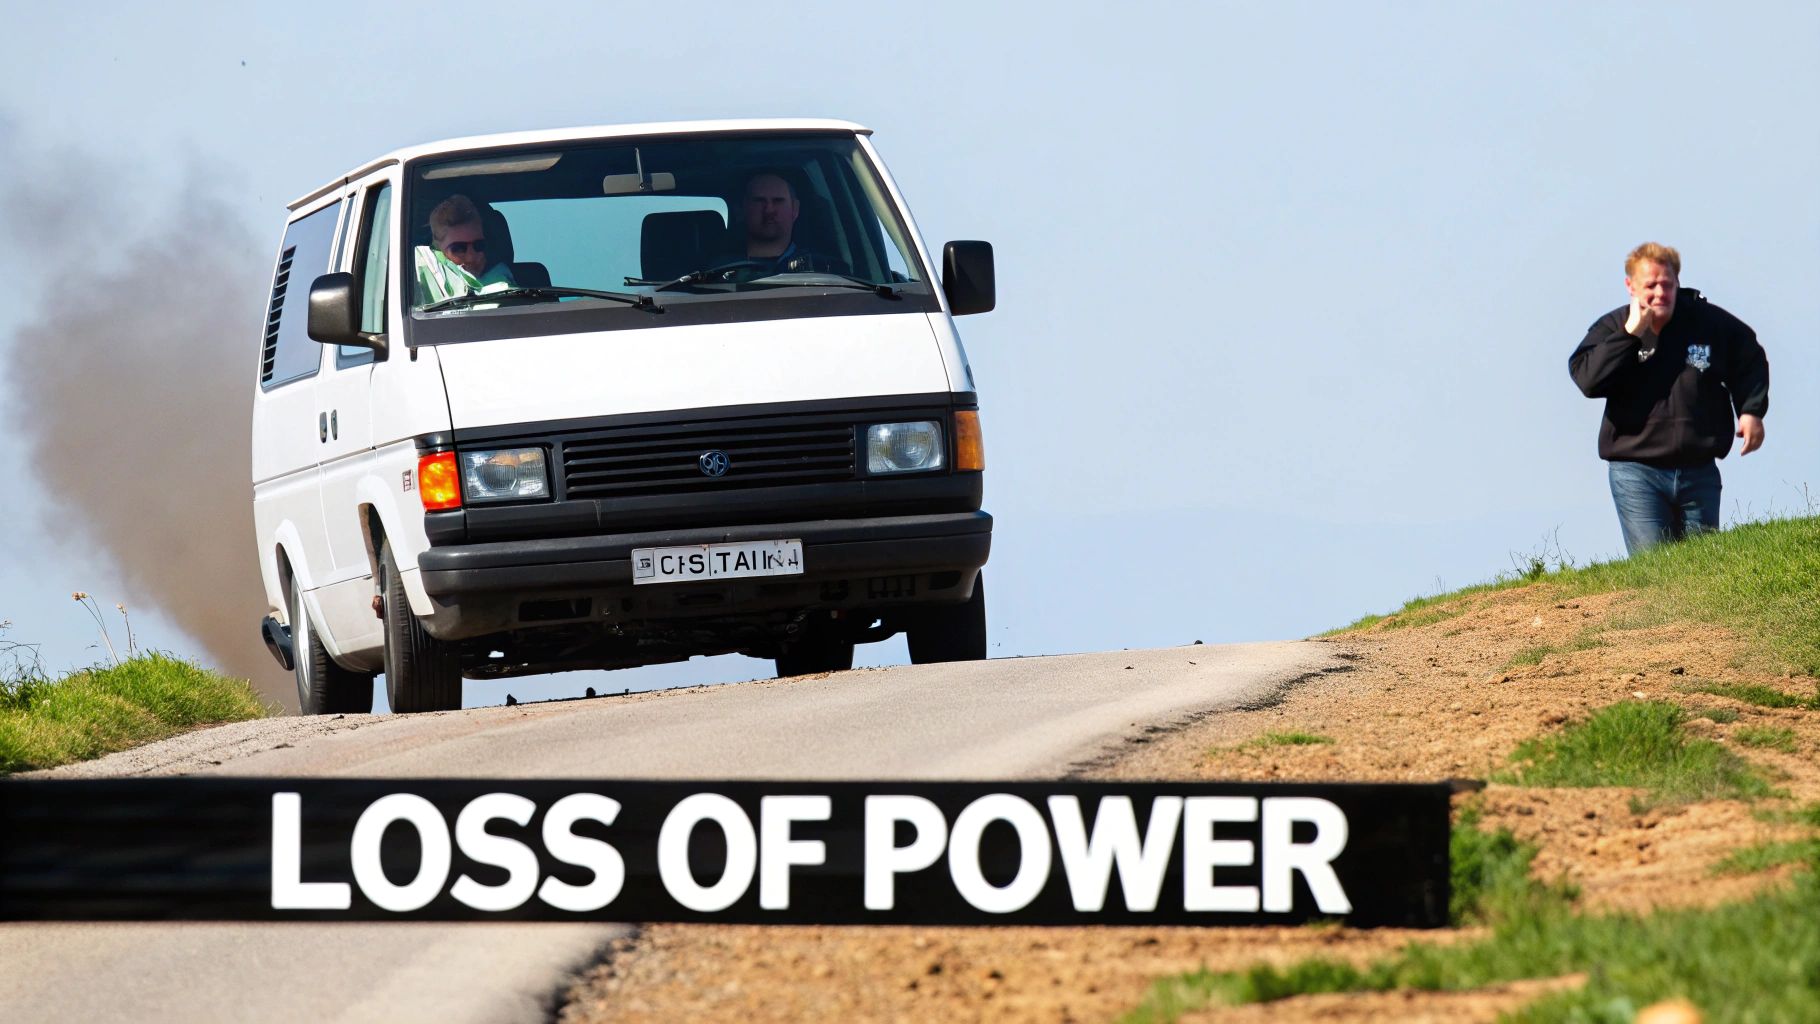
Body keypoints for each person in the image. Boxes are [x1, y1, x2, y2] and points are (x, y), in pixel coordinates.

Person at [1568, 242, 1769, 555]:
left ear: (1677, 282)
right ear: (1630, 286)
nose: (1660, 293)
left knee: (1704, 571)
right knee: (1656, 571)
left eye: (1667, 284)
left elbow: (1750, 358)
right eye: (1650, 285)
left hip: (1698, 468)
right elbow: (1588, 380)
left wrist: (1751, 410)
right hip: (1636, 471)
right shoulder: (1612, 327)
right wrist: (1629, 335)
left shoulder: (1707, 322)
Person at [428, 194, 516, 288]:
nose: (471, 257)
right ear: (438, 251)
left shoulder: (507, 288)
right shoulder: (423, 289)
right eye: (458, 249)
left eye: (478, 245)